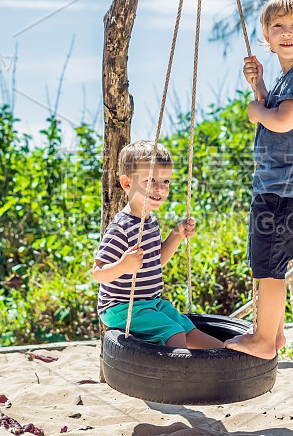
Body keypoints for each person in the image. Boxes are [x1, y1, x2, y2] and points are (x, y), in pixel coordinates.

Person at [225, 0, 293, 359]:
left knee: (269, 268)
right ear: (267, 37)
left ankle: (265, 340)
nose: (287, 31)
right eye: (277, 25)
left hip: (282, 192)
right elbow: (280, 108)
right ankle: (274, 333)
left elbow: (283, 121)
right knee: (268, 263)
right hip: (285, 189)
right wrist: (259, 88)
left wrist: (256, 111)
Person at [93, 140, 224, 349]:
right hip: (122, 308)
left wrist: (177, 234)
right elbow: (98, 273)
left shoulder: (151, 220)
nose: (160, 188)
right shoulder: (121, 227)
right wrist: (123, 266)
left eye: (166, 182)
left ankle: (224, 353)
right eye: (150, 180)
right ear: (126, 184)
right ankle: (181, 371)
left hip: (150, 303)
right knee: (173, 333)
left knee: (186, 327)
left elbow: (157, 260)